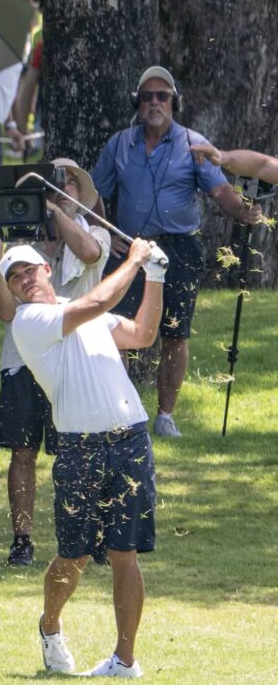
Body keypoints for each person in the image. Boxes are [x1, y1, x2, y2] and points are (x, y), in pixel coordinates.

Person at [0, 236, 167, 678]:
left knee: (123, 552)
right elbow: (95, 302)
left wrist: (156, 276)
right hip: (79, 447)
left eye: (28, 270)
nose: (23, 280)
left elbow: (144, 335)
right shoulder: (30, 320)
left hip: (130, 440)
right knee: (72, 555)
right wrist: (133, 260)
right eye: (14, 278)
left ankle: (124, 661)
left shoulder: (87, 309)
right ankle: (50, 627)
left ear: (47, 269)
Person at [90, 65, 259, 438]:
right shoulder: (119, 143)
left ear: (174, 102)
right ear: (138, 102)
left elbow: (221, 193)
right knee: (115, 328)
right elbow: (92, 192)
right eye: (147, 96)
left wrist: (244, 211)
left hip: (179, 247)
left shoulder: (193, 144)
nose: (154, 102)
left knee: (175, 332)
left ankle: (165, 416)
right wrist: (103, 229)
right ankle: (123, 411)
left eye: (162, 96)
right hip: (130, 244)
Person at [0, 159, 110, 567]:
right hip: (22, 361)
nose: (62, 189)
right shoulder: (19, 245)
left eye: (69, 184)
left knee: (82, 450)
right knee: (22, 451)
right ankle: (22, 539)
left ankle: (92, 532)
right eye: (54, 186)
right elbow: (4, 311)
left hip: (77, 359)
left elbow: (88, 254)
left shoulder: (96, 231)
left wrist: (53, 208)